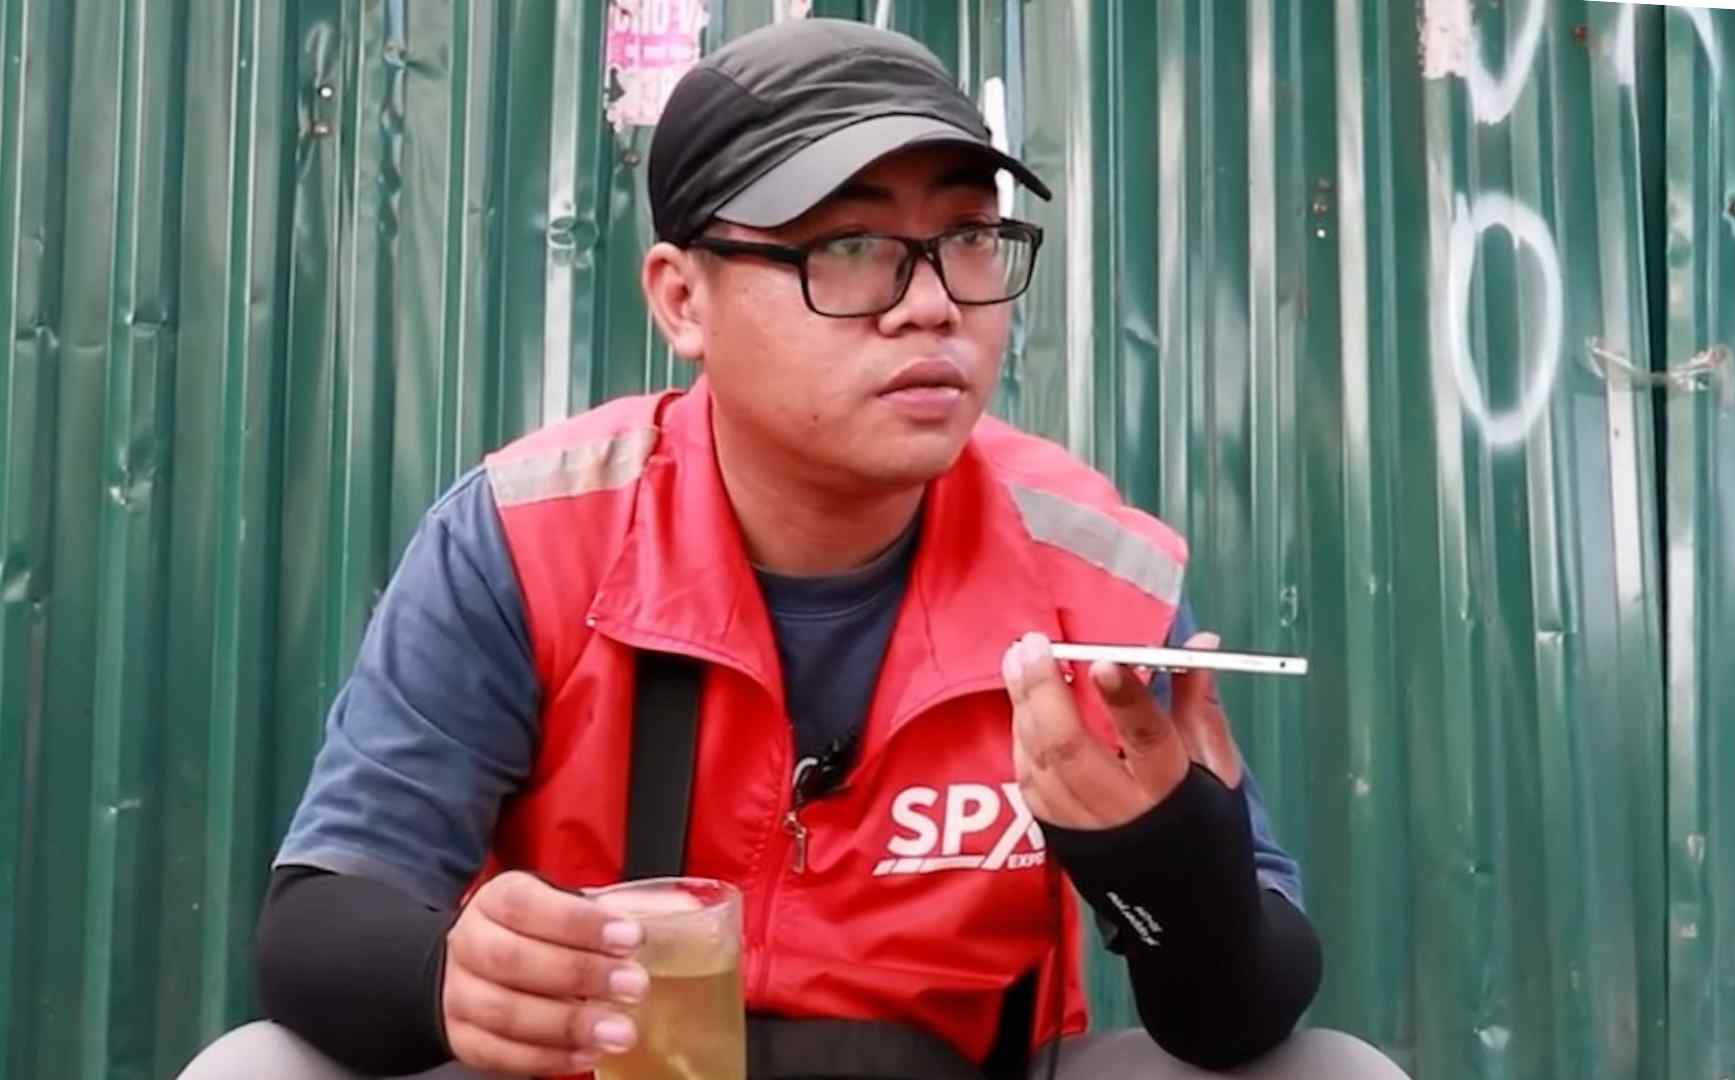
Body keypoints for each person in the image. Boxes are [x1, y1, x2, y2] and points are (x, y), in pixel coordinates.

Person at [180, 17, 1407, 1080]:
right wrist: (450, 974)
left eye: (969, 240)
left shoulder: (1089, 577)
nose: (932, 302)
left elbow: (1241, 1010)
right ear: (682, 298)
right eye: (850, 249)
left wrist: (1169, 859)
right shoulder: (532, 533)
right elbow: (325, 915)